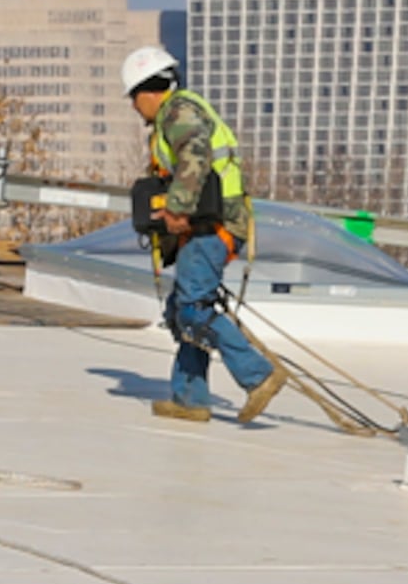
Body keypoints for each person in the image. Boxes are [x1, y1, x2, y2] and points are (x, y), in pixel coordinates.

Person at [122, 46, 291, 425]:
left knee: (193, 308)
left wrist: (177, 209)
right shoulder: (177, 113)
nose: (134, 107)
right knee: (182, 309)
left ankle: (258, 375)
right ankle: (189, 398)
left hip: (215, 225)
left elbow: (195, 156)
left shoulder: (178, 113)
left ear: (148, 92)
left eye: (133, 98)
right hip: (205, 225)